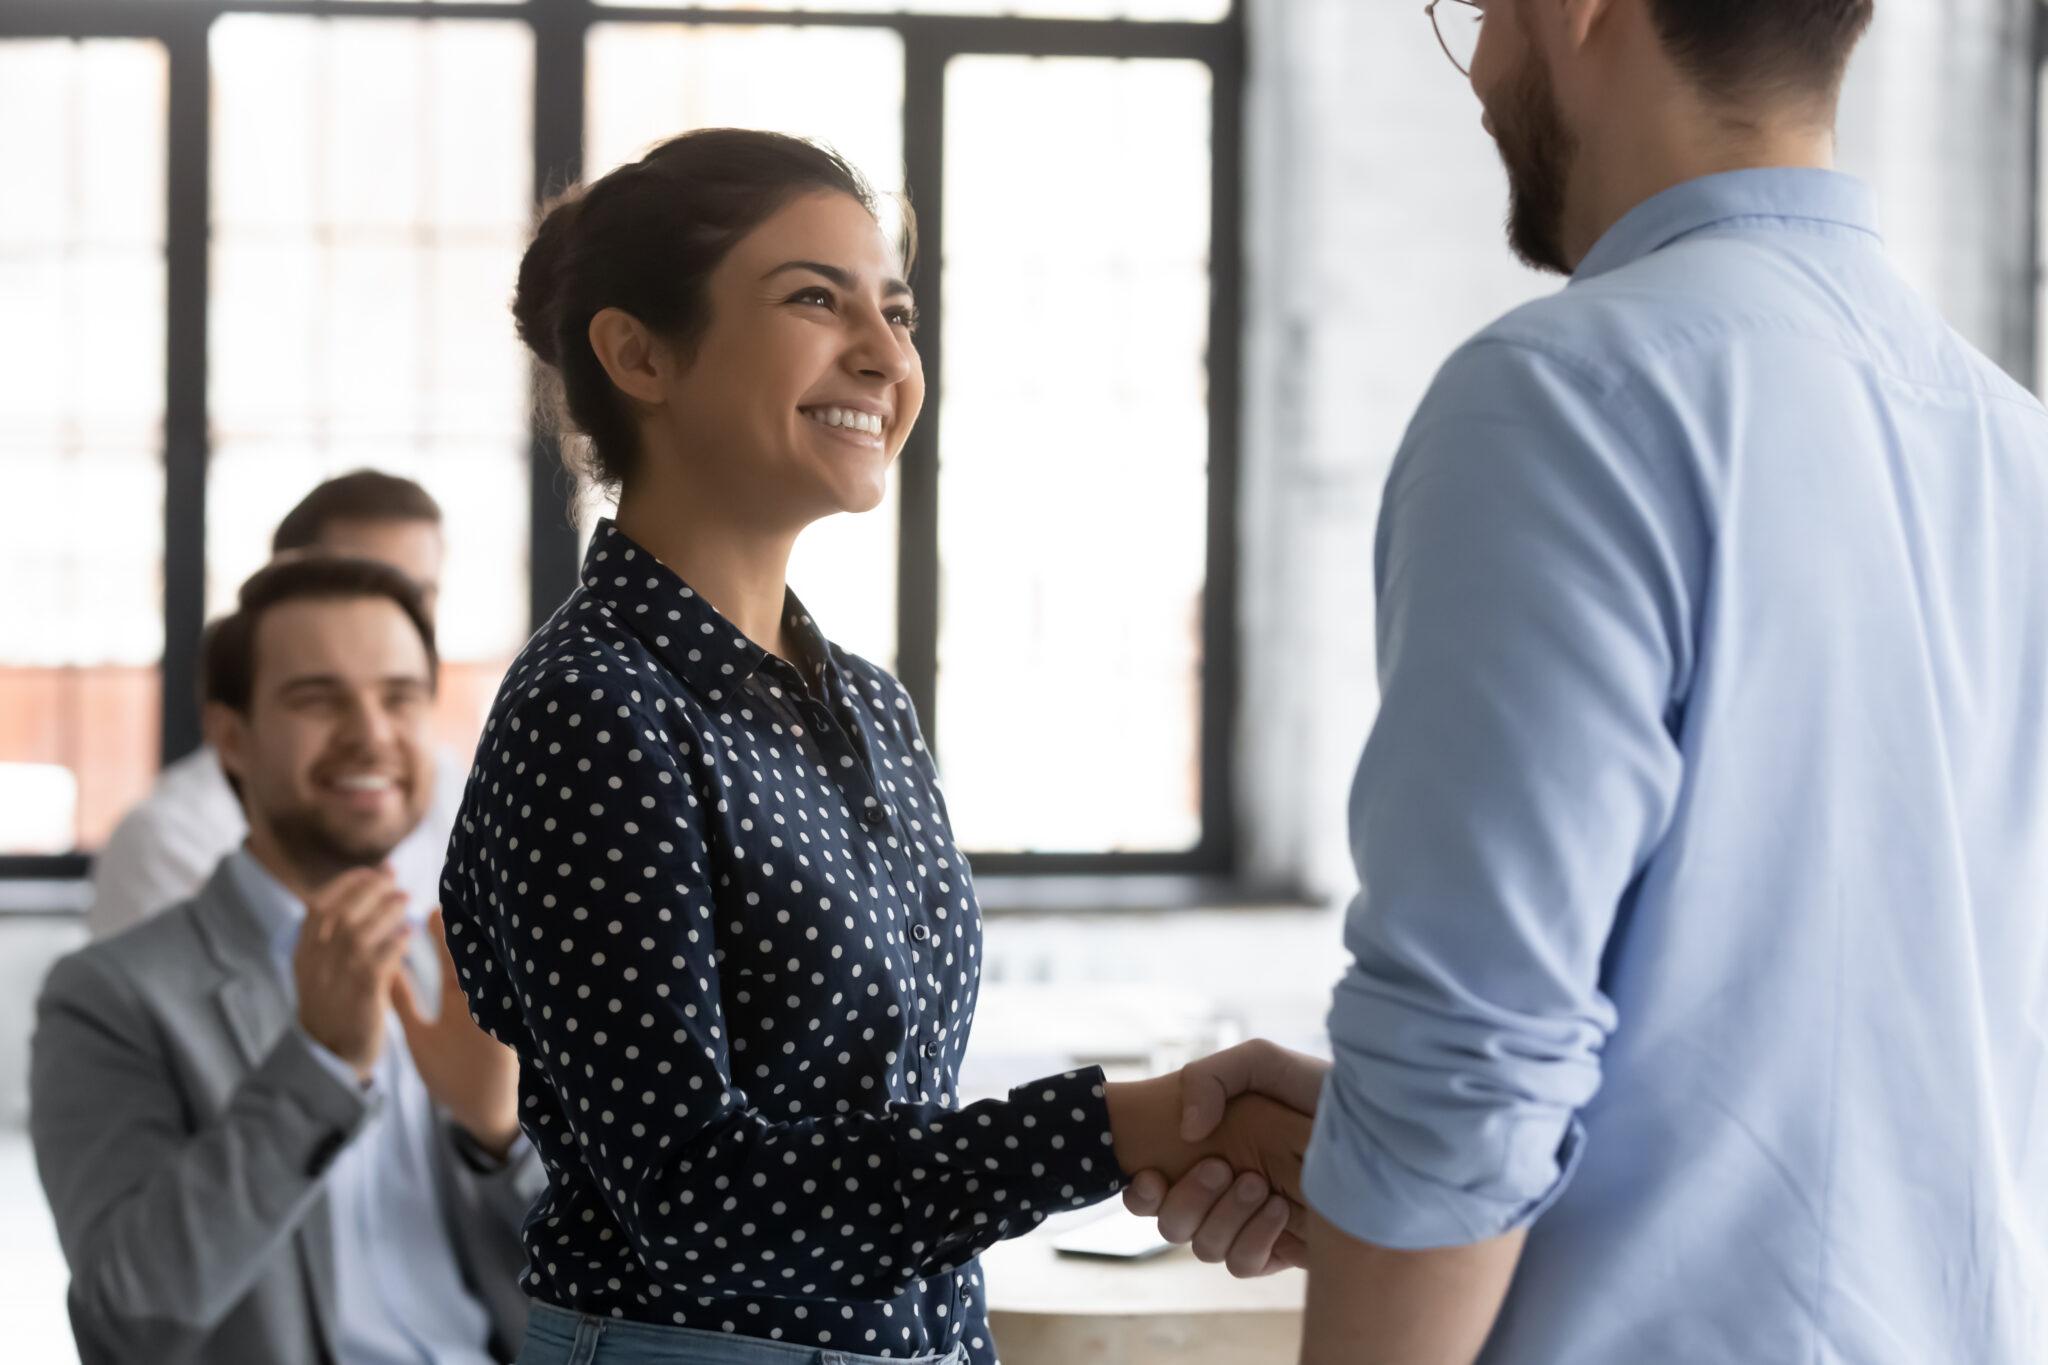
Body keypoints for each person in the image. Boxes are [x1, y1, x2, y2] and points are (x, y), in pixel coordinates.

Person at [1124, 0, 2048, 1360]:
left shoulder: (1566, 396)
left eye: (1480, 14)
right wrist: (1377, 1143)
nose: (1484, 73)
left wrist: (1410, 1167)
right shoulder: (2009, 440)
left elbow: (1468, 1068)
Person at [437, 128, 1308, 1365]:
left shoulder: (865, 705)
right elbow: (697, 1199)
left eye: (895, 312)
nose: (885, 355)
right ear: (639, 353)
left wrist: (1179, 1139)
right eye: (813, 299)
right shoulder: (596, 711)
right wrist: (1123, 1129)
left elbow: (883, 1134)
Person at [32, 557, 542, 1365]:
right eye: (318, 698)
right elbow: (125, 1319)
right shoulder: (110, 996)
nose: (372, 732)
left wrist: (500, 1138)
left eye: (400, 697)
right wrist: (319, 1066)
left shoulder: (473, 967)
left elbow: (612, 1282)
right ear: (232, 738)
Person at [89, 469, 465, 940]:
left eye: (420, 594)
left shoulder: (457, 796)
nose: (388, 614)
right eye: (355, 582)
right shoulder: (168, 839)